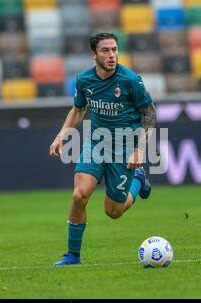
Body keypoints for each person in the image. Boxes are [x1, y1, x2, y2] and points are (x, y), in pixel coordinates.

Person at [49, 33, 156, 266]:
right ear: (94, 55)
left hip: (125, 147)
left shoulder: (130, 80)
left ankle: (138, 179)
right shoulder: (84, 80)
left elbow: (149, 114)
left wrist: (139, 150)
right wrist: (61, 136)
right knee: (80, 195)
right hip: (96, 143)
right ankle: (73, 255)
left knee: (113, 212)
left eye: (115, 50)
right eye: (106, 51)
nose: (112, 55)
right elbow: (78, 110)